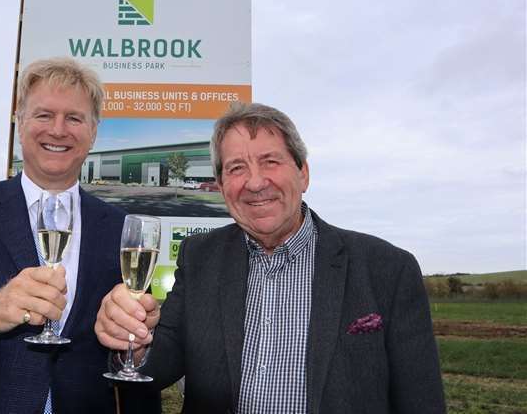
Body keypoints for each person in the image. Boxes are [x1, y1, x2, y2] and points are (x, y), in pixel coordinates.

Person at [96, 102, 446, 413]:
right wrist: (136, 345)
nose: (255, 182)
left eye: (270, 161)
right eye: (236, 169)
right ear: (221, 186)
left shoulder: (388, 269)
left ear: (303, 173)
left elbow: (421, 400)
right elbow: (162, 364)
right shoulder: (199, 257)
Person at [0, 57, 160, 413]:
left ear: (93, 132)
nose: (58, 130)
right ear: (20, 125)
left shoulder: (120, 227)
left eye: (74, 118)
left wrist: (135, 344)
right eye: (43, 115)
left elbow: (129, 349)